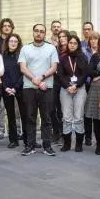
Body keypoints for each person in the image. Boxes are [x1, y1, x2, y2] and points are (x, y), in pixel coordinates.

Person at [19, 23, 59, 156]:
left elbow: (54, 67)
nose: (39, 33)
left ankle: (47, 146)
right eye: (36, 31)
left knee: (46, 118)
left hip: (46, 88)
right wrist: (34, 79)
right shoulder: (25, 48)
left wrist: (41, 78)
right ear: (33, 32)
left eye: (41, 31)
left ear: (45, 34)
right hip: (29, 88)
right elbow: (23, 68)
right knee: (30, 118)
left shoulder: (51, 48)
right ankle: (30, 146)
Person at [58, 33, 90, 153]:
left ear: (78, 45)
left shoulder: (83, 57)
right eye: (70, 43)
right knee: (66, 117)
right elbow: (60, 75)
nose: (72, 45)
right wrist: (68, 86)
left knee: (78, 117)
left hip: (79, 89)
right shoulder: (63, 58)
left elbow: (85, 74)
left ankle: (78, 144)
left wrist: (76, 85)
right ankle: (67, 144)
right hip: (65, 89)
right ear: (67, 44)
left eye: (75, 43)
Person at [1, 33, 25, 149]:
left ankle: (28, 139)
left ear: (18, 43)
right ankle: (13, 140)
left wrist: (15, 88)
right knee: (10, 116)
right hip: (7, 90)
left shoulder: (22, 56)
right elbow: (1, 74)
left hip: (20, 88)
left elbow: (24, 73)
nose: (13, 43)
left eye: (16, 41)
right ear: (7, 43)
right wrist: (6, 87)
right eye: (11, 41)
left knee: (25, 114)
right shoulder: (2, 56)